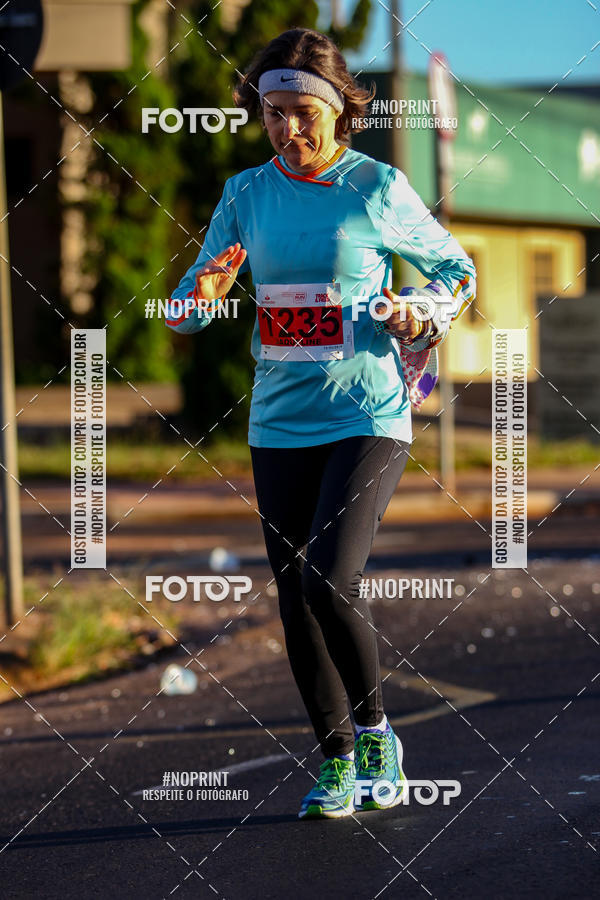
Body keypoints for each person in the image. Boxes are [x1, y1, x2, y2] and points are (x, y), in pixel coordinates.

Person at [166, 27, 476, 820]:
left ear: (339, 113)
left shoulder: (376, 186)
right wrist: (193, 302)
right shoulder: (244, 194)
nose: (288, 130)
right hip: (278, 421)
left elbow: (455, 270)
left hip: (368, 411)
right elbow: (193, 300)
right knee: (293, 600)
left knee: (327, 579)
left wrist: (421, 312)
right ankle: (337, 761)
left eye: (304, 112)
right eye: (273, 114)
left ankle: (377, 735)